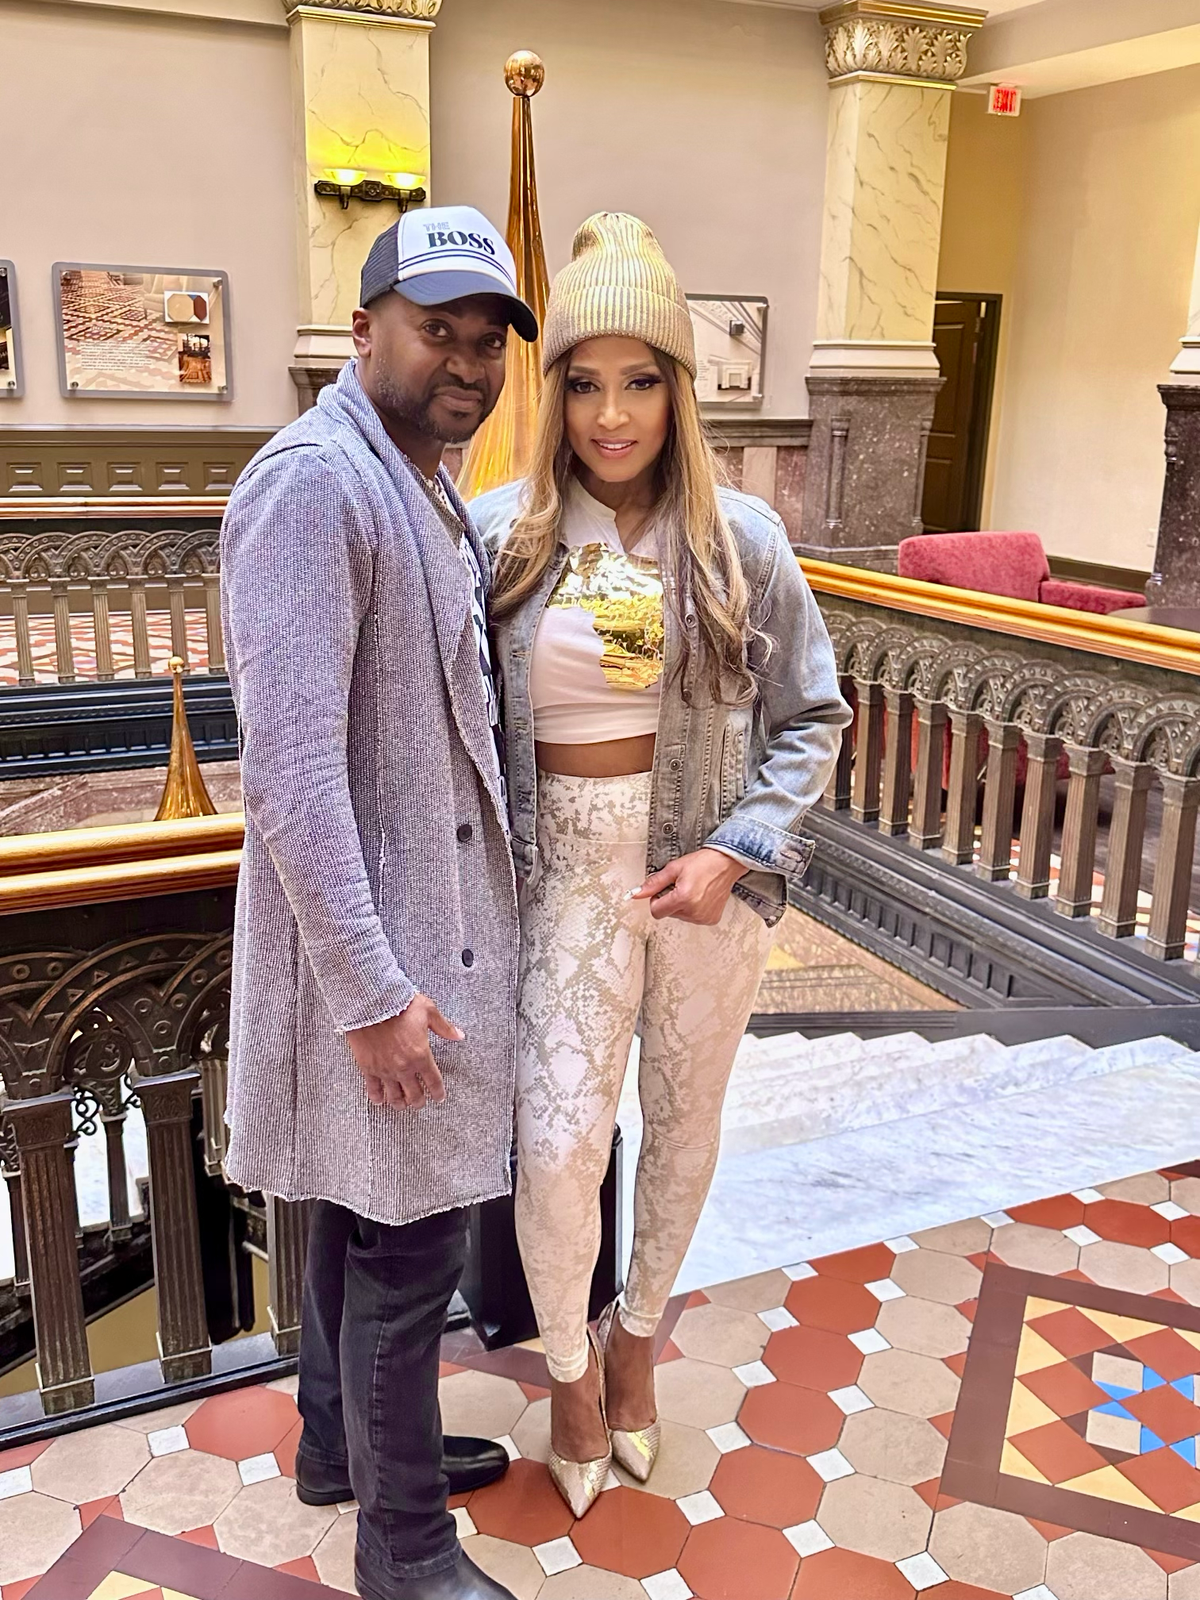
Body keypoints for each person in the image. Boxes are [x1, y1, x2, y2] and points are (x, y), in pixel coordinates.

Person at [471, 212, 851, 1517]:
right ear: (555, 393)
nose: (612, 414)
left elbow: (812, 716)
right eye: (583, 382)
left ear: (680, 388)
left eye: (640, 381)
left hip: (699, 891)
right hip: (560, 889)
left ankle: (638, 1341)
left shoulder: (740, 540)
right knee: (556, 1146)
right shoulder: (500, 539)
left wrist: (736, 854)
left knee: (685, 1132)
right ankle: (569, 1370)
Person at [221, 206, 538, 1600]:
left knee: (362, 1219)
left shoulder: (413, 475)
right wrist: (367, 994)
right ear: (362, 331)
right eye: (436, 331)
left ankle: (337, 1446)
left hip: (424, 942)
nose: (466, 363)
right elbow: (289, 776)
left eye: (488, 341)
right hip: (390, 965)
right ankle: (404, 1549)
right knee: (412, 1254)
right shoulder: (314, 487)